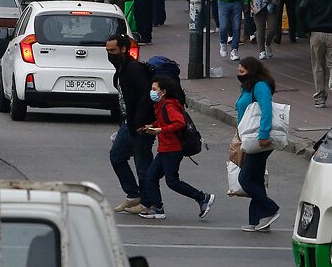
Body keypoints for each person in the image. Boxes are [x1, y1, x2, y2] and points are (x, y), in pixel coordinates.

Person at [136, 75, 215, 220]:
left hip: (172, 149)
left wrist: (161, 130)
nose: (151, 92)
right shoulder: (162, 104)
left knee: (172, 181)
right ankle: (157, 207)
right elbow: (162, 120)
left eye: (154, 89)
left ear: (163, 92)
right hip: (166, 148)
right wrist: (151, 126)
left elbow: (179, 123)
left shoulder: (169, 105)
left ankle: (202, 197)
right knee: (151, 176)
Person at [106, 34, 155, 214]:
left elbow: (146, 96)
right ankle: (133, 194)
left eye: (113, 51)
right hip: (128, 123)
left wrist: (141, 122)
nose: (110, 54)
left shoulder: (133, 69)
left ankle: (150, 203)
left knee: (143, 165)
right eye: (107, 51)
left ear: (124, 49)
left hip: (140, 125)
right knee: (117, 156)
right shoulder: (121, 68)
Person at [234, 56, 281, 232]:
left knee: (245, 179)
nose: (239, 74)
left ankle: (270, 208)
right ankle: (258, 220)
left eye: (242, 71)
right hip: (248, 137)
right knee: (256, 179)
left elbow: (266, 109)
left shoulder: (260, 86)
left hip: (258, 140)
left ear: (251, 71)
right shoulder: (247, 87)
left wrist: (263, 134)